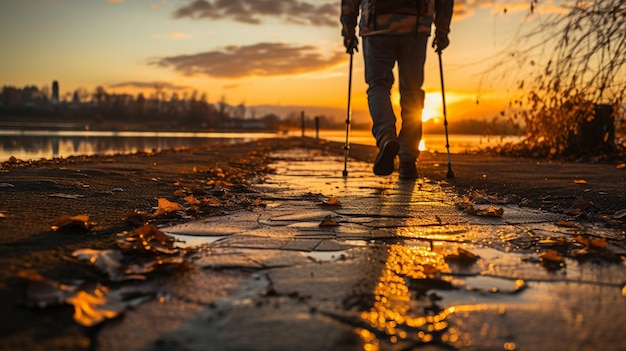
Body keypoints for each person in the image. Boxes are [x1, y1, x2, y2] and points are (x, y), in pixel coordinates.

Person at [340, 0, 454, 179]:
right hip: (416, 25)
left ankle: (386, 136)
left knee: (378, 85)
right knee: (412, 91)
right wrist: (442, 31)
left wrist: (348, 31)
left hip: (376, 25)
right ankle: (407, 159)